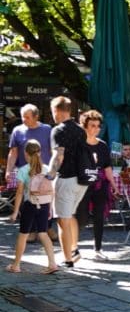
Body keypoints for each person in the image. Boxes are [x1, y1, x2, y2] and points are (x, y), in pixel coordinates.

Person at [5, 139, 59, 274]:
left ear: (25, 153)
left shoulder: (23, 170)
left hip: (30, 205)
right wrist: (51, 208)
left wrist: (15, 211)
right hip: (45, 204)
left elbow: (19, 193)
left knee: (23, 235)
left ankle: (16, 265)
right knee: (43, 233)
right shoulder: (47, 169)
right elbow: (52, 190)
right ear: (40, 153)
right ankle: (52, 263)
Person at [49, 98, 88, 268]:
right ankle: (74, 249)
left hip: (65, 179)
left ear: (57, 110)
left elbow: (59, 155)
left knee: (62, 220)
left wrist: (49, 176)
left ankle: (68, 260)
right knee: (71, 214)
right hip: (82, 181)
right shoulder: (81, 130)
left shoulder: (58, 130)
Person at [76, 111, 118, 258]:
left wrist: (113, 183)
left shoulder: (102, 145)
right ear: (85, 126)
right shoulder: (79, 145)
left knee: (99, 216)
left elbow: (107, 166)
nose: (95, 129)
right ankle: (73, 247)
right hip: (82, 184)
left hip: (100, 184)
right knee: (81, 217)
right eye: (92, 125)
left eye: (98, 126)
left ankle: (98, 248)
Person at [5, 104, 53, 186]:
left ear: (36, 117)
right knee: (21, 196)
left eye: (27, 117)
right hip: (23, 174)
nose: (24, 120)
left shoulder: (47, 129)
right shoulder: (17, 131)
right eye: (23, 117)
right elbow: (13, 153)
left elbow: (52, 151)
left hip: (43, 174)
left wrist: (53, 170)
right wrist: (8, 171)